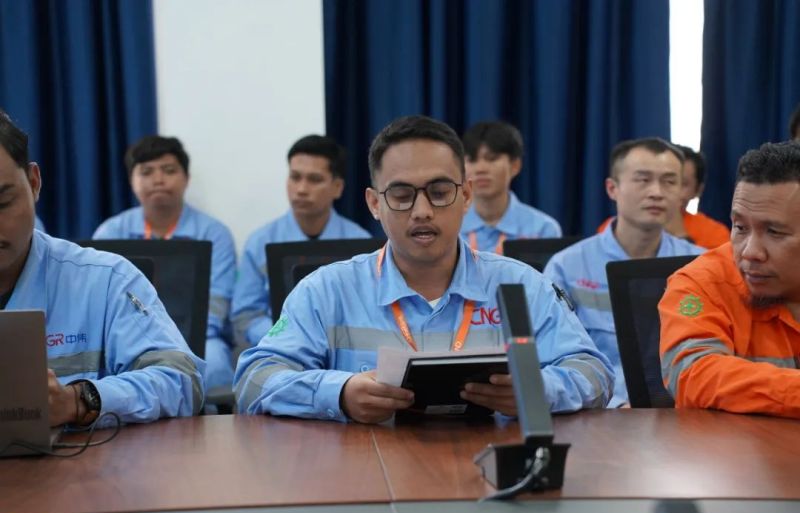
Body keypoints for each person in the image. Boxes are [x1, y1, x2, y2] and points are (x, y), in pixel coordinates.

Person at [234, 115, 613, 422]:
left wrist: (535, 390)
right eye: (401, 195)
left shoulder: (521, 285)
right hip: (366, 472)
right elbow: (254, 379)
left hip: (493, 470)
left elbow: (594, 373)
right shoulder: (326, 290)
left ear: (466, 195)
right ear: (374, 204)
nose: (422, 211)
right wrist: (338, 394)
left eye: (439, 192)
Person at [0, 110, 203, 426]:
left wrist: (78, 400)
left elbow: (181, 380)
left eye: (2, 203)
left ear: (34, 182)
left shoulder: (105, 280)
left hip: (74, 458)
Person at [545, 137, 703, 407]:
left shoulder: (701, 265)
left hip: (681, 413)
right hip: (597, 412)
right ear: (612, 188)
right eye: (643, 180)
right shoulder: (566, 266)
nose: (656, 192)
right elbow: (553, 358)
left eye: (669, 181)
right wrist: (617, 404)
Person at [660, 141, 800, 418]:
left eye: (774, 232)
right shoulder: (699, 283)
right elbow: (694, 375)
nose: (749, 252)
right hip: (735, 444)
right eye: (740, 227)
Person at [93, 136, 235, 392]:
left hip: (199, 335)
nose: (158, 179)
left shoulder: (213, 234)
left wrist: (177, 337)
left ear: (186, 178)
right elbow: (99, 301)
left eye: (169, 171)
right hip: (129, 336)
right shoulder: (110, 233)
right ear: (131, 180)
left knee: (215, 362)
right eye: (146, 172)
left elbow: (217, 301)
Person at [230, 135, 370, 350]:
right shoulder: (260, 242)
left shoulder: (362, 244)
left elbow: (369, 313)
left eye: (314, 179)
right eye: (295, 177)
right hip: (280, 350)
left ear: (337, 187)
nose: (301, 189)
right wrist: (286, 337)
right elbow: (245, 316)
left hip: (344, 351)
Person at [597, 145, 729, 249]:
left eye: (678, 183)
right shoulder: (614, 228)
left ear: (698, 190)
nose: (659, 191)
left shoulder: (714, 234)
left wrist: (679, 234)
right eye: (645, 180)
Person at [460, 121, 561, 254]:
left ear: (515, 166)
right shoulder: (451, 226)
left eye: (491, 159)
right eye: (472, 160)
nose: (480, 169)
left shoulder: (542, 229)